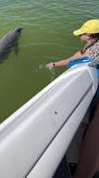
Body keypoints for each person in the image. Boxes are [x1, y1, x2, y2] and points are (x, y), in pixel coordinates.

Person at [46, 19, 99, 178]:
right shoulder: (93, 45)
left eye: (83, 33)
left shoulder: (89, 51)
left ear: (91, 36)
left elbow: (71, 60)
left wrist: (53, 64)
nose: (80, 35)